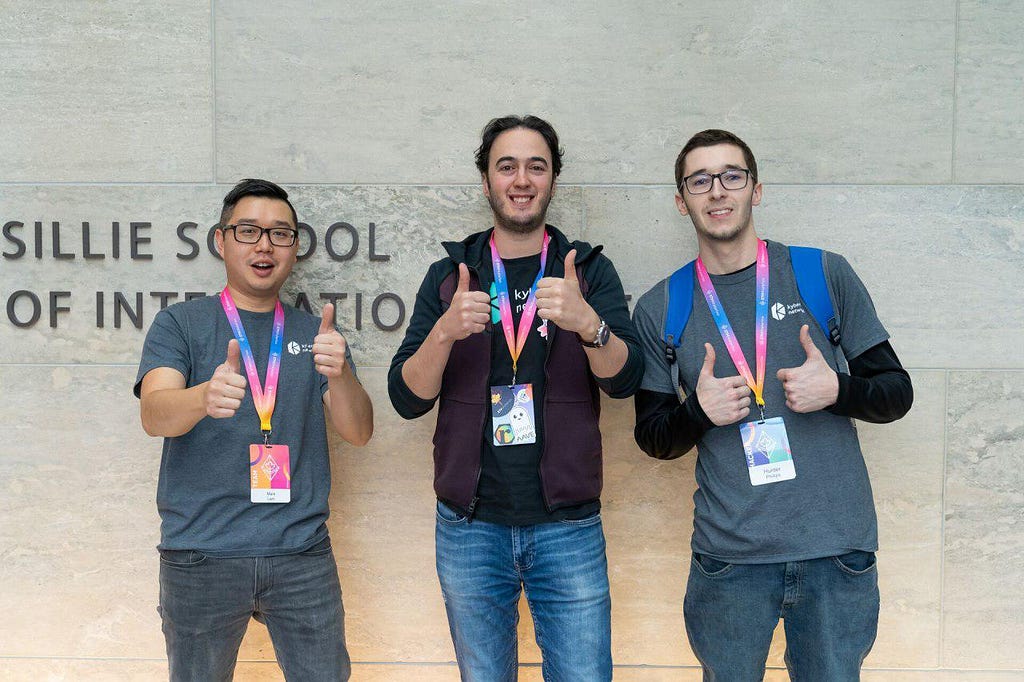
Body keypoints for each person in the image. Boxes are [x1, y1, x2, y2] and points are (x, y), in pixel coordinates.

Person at [632, 129, 913, 681]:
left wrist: (838, 390)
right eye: (699, 181)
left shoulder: (822, 273)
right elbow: (653, 438)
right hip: (729, 560)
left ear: (755, 190)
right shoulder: (662, 305)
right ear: (681, 200)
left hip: (836, 552)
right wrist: (698, 413)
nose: (717, 191)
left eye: (732, 176)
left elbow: (896, 393)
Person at [388, 115, 643, 681]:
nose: (521, 180)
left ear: (552, 180)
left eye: (536, 167)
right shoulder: (451, 276)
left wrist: (589, 324)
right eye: (507, 166)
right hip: (469, 528)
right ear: (486, 181)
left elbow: (625, 381)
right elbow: (407, 398)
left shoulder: (586, 272)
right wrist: (444, 332)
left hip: (568, 528)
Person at [135, 178, 373, 681]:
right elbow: (153, 414)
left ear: (294, 247)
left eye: (280, 234)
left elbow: (358, 431)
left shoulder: (315, 334)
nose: (264, 245)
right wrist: (202, 397)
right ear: (220, 241)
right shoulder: (180, 324)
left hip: (301, 552)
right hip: (201, 553)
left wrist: (340, 374)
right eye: (248, 231)